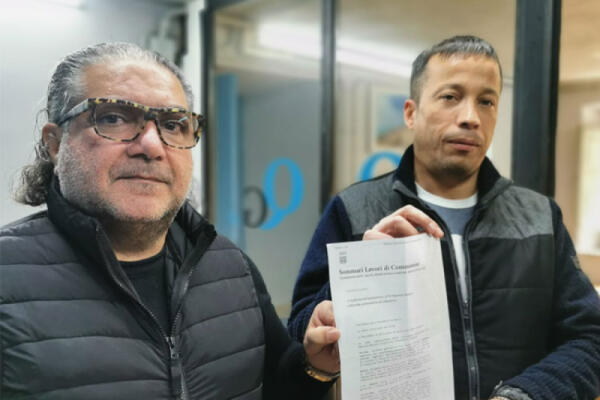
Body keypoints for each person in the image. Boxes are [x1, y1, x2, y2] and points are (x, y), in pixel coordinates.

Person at [0, 42, 341, 400]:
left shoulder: (230, 267)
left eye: (173, 124)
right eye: (113, 117)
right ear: (56, 144)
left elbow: (276, 386)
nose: (151, 145)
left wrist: (314, 367)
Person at [288, 35, 600, 400]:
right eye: (451, 97)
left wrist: (524, 396)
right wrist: (358, 281)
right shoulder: (354, 210)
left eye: (486, 102)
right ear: (411, 113)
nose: (470, 118)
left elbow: (590, 338)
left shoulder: (540, 217)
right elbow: (300, 334)